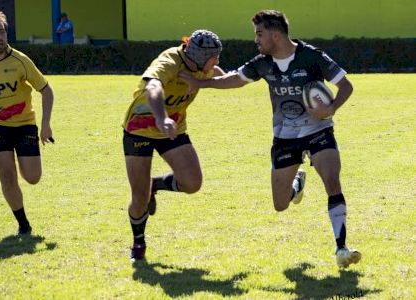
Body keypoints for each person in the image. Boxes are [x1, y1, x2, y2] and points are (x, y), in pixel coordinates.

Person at [179, 10, 361, 268]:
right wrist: (203, 84)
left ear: (276, 34)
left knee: (332, 182)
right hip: (285, 138)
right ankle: (296, 185)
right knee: (280, 205)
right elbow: (235, 79)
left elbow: (346, 86)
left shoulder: (311, 57)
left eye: (259, 34)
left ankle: (341, 247)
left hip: (319, 131)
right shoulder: (262, 62)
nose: (256, 39)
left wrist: (331, 109)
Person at [122, 29, 224, 261]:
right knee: (139, 197)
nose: (217, 61)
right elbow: (153, 87)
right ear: (198, 56)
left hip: (173, 129)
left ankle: (154, 185)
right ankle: (139, 242)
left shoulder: (201, 69)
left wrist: (204, 83)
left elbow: (222, 76)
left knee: (192, 183)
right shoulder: (169, 61)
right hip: (140, 128)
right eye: (214, 57)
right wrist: (161, 117)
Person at [0, 10, 54, 236]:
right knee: (6, 174)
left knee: (33, 177)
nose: (0, 37)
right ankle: (23, 224)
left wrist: (45, 125)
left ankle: (23, 171)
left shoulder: (20, 61)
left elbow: (46, 90)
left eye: (2, 31)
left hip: (25, 125)